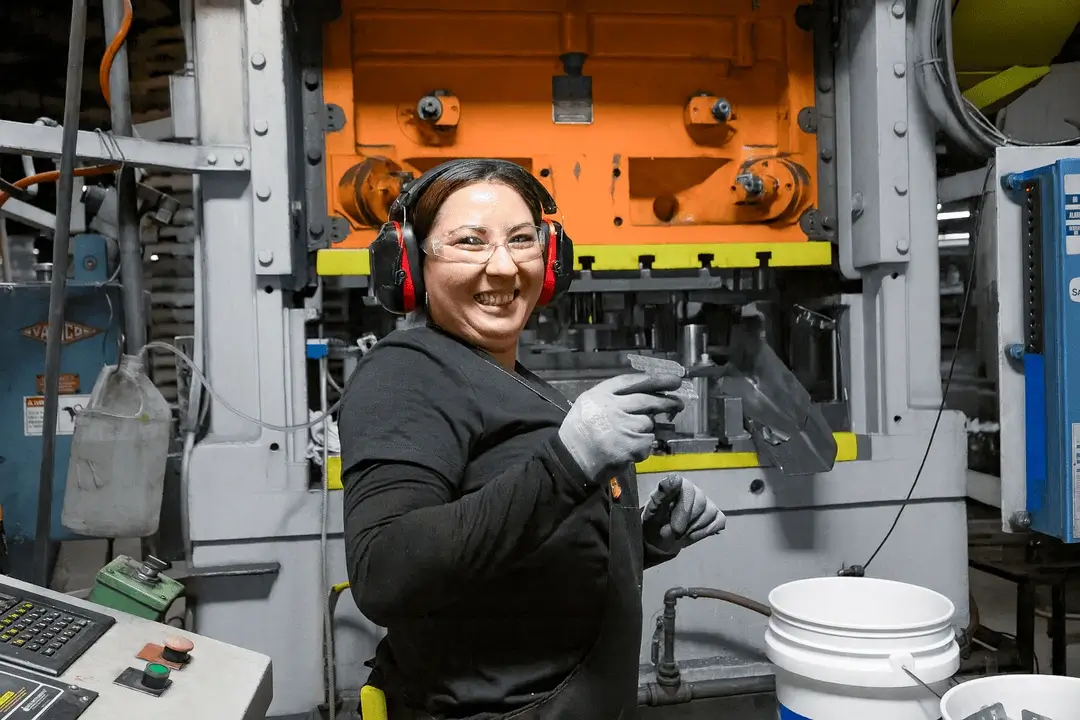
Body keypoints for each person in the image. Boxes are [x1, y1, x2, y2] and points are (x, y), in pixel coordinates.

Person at [339, 158, 726, 720]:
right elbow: (384, 572)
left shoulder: (504, 374)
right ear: (410, 263)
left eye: (521, 240)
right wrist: (574, 458)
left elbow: (511, 560)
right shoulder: (407, 373)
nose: (503, 268)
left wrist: (639, 541)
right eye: (470, 242)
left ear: (550, 261)